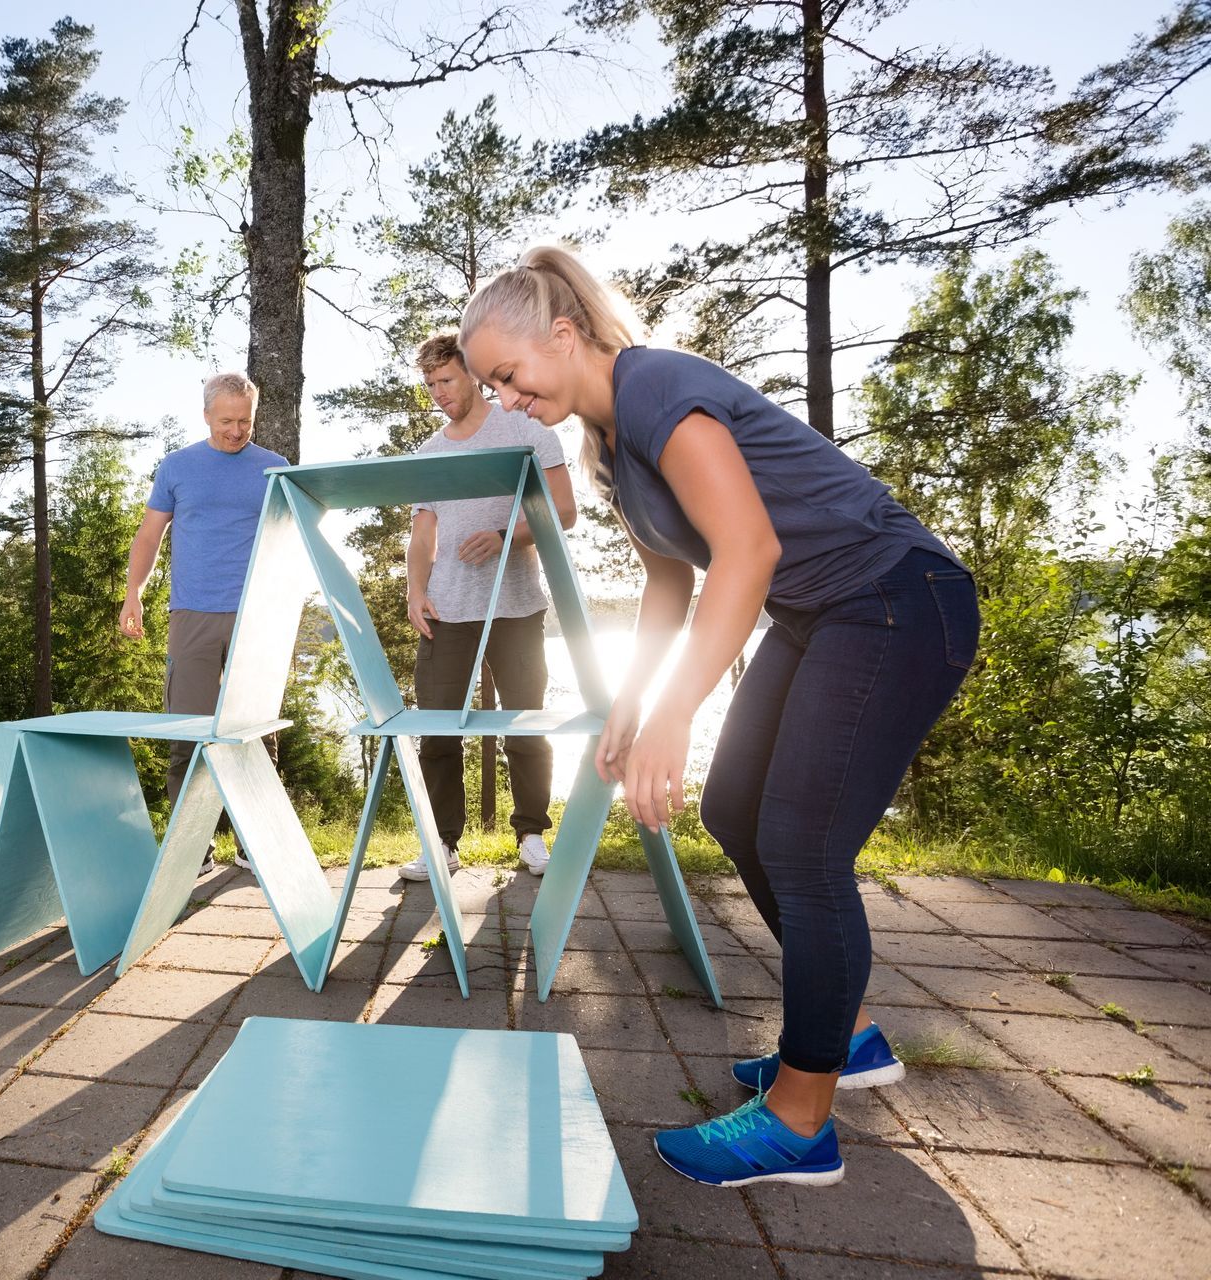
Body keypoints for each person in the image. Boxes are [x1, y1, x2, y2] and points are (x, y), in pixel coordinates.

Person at [460, 245, 978, 1189]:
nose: (504, 398)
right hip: (822, 611)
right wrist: (630, 700)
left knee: (803, 847)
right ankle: (844, 1039)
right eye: (492, 383)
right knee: (736, 812)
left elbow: (747, 548)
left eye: (510, 374)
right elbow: (670, 581)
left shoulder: (657, 386)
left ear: (564, 336)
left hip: (897, 599)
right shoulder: (609, 445)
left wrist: (678, 716)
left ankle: (801, 1120)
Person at [401, 331, 576, 882]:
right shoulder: (430, 452)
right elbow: (422, 532)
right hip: (447, 612)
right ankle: (442, 845)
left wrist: (506, 535)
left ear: (473, 374)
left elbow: (563, 511)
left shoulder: (525, 430)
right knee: (437, 730)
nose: (438, 392)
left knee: (525, 724)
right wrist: (414, 591)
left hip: (517, 606)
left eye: (447, 380)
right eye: (429, 384)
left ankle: (530, 834)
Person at [119, 372, 287, 874]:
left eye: (246, 421)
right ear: (207, 415)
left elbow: (292, 537)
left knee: (256, 733)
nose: (237, 431)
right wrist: (134, 592)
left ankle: (254, 845)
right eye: (226, 421)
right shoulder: (178, 466)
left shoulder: (274, 468)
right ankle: (193, 846)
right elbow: (149, 536)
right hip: (191, 613)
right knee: (187, 733)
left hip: (255, 615)